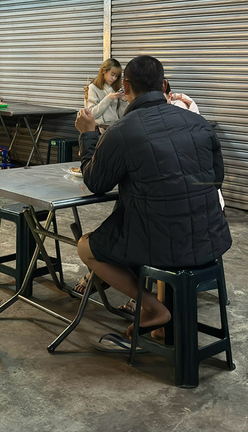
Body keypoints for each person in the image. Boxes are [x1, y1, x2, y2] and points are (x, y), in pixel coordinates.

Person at [74, 54, 231, 338]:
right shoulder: (199, 124)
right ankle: (162, 328)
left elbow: (95, 182)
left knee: (87, 247)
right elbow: (216, 179)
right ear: (163, 85)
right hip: (211, 238)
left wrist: (88, 134)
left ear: (127, 86)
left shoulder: (122, 131)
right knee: (149, 227)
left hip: (161, 242)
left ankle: (153, 308)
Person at [85, 58, 127, 128]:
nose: (114, 78)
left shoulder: (115, 88)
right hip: (100, 129)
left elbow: (122, 116)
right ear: (104, 71)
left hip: (115, 128)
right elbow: (91, 114)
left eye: (116, 76)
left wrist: (123, 101)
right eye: (112, 75)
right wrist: (108, 98)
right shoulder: (93, 88)